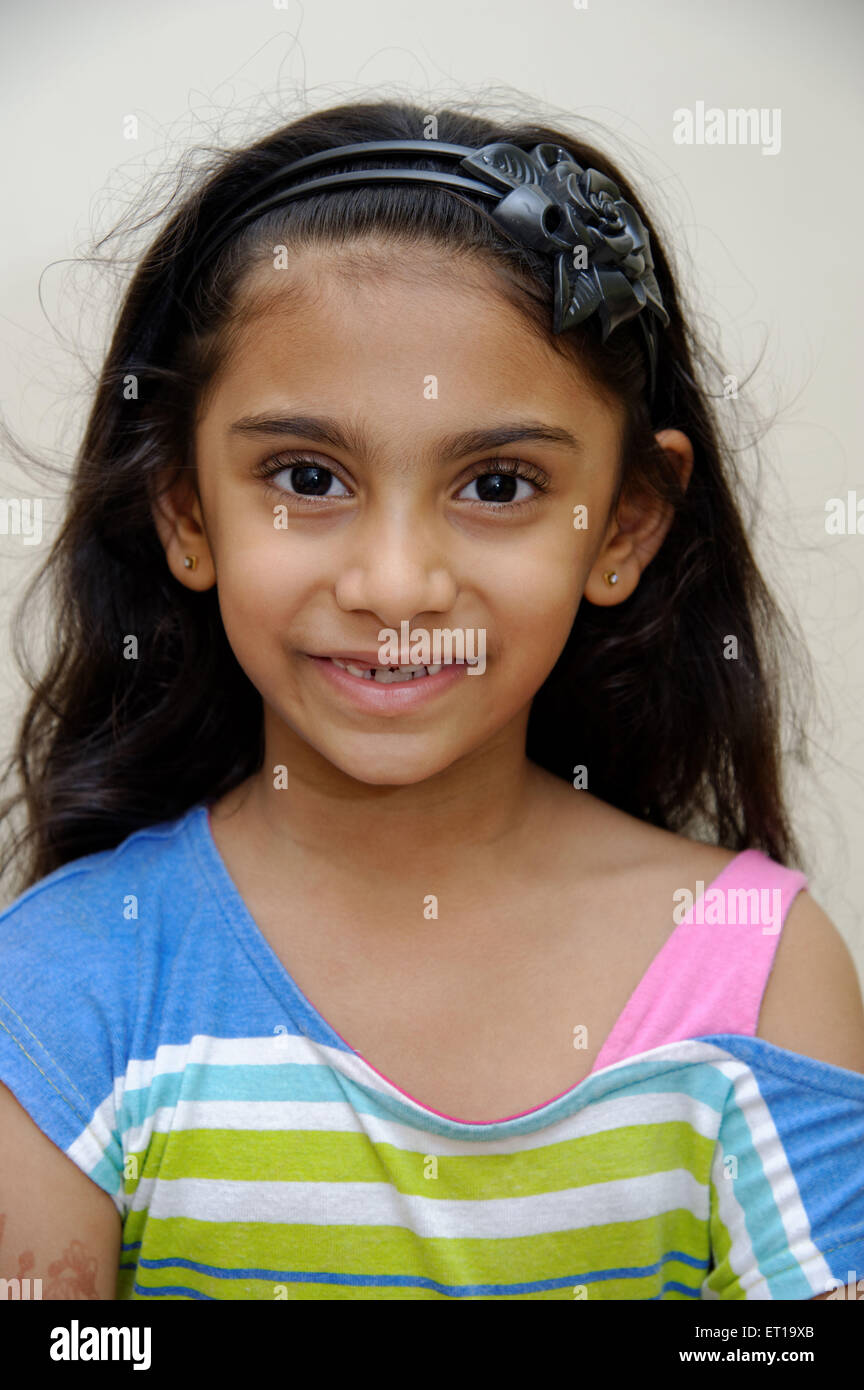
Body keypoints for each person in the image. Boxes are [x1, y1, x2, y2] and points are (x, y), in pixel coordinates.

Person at [0, 98, 862, 1302]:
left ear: (622, 524)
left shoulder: (758, 968)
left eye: (498, 483)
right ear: (188, 512)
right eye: (307, 477)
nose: (395, 581)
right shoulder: (61, 986)